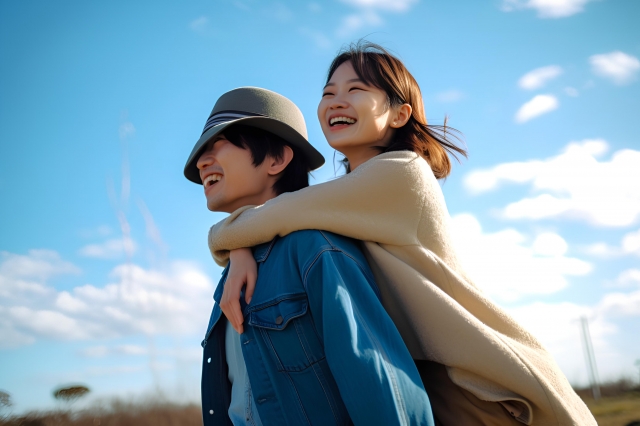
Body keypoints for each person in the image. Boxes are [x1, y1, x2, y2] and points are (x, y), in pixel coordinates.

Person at [205, 42, 597, 425]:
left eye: (356, 90)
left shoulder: (402, 172)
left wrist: (229, 239)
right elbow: (276, 220)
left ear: (398, 114)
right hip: (443, 389)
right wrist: (242, 249)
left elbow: (279, 213)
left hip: (490, 395)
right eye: (328, 92)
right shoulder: (343, 200)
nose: (336, 101)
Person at [184, 86, 435, 425]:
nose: (202, 161)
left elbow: (380, 383)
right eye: (202, 150)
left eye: (221, 143)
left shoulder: (315, 248)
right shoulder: (232, 269)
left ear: (277, 159)